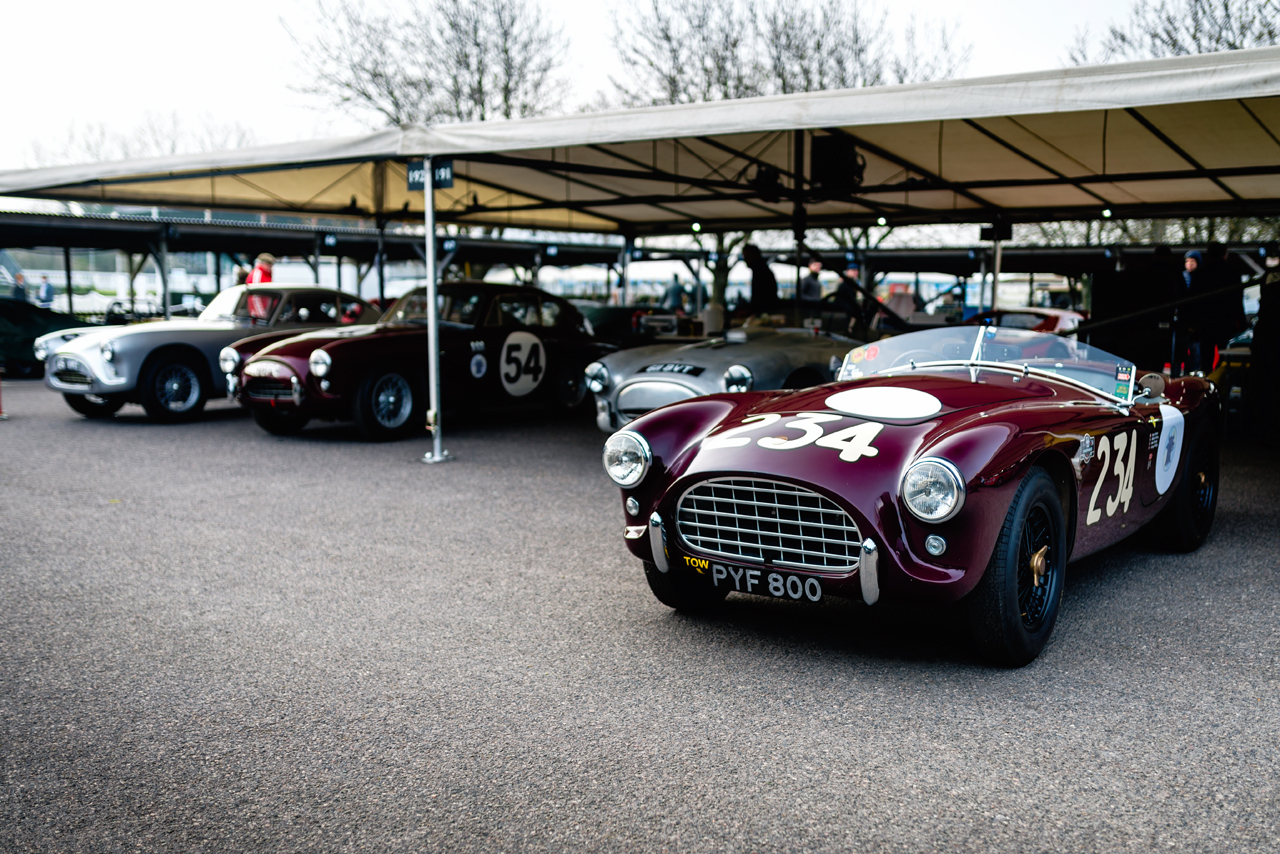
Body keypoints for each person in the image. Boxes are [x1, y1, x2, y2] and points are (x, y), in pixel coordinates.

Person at [742, 244, 778, 315]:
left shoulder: (761, 272)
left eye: (746, 256)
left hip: (765, 314)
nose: (745, 259)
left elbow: (761, 300)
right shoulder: (761, 271)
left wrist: (749, 311)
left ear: (754, 255)